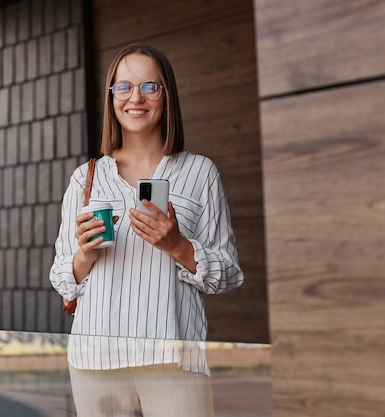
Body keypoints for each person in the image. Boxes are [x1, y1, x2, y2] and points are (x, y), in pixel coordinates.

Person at [49, 44, 244, 417]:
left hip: (173, 360)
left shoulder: (200, 173)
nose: (135, 98)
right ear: (111, 98)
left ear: (166, 95)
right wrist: (85, 254)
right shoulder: (86, 178)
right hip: (95, 361)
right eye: (123, 87)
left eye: (149, 87)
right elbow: (62, 277)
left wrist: (178, 246)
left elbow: (230, 275)